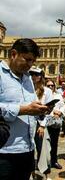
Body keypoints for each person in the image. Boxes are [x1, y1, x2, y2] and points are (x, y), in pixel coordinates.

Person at [0, 38, 49, 180]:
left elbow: (30, 106)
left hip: (27, 150)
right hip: (4, 152)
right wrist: (24, 109)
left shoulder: (27, 78)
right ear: (14, 54)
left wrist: (40, 110)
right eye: (27, 60)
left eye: (33, 61)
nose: (30, 65)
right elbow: (24, 108)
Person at [45, 79, 65, 169]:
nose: (50, 87)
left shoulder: (58, 95)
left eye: (52, 85)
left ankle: (54, 161)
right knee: (45, 143)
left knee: (54, 142)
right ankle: (45, 163)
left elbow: (63, 105)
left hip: (56, 122)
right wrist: (54, 112)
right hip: (46, 121)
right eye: (48, 85)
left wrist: (60, 112)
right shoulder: (43, 95)